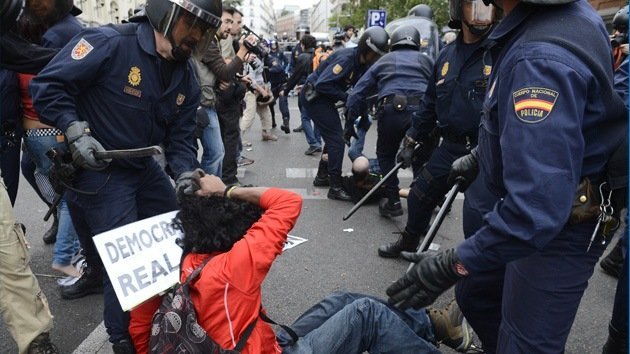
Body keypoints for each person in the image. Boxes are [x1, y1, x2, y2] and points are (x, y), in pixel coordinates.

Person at [386, 1, 628, 353]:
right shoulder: (567, 16)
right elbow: (572, 119)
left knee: (525, 341)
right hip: (552, 199)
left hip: (564, 222)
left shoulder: (538, 60)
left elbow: (536, 208)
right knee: (477, 291)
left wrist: (454, 262)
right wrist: (484, 154)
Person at [30, 0, 223, 351]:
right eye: (191, 23)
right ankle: (123, 341)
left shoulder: (186, 77)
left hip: (142, 166)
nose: (196, 35)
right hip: (99, 171)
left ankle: (170, 318)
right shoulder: (109, 43)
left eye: (203, 29)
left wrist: (182, 173)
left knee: (180, 237)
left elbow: (180, 140)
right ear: (166, 13)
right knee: (125, 269)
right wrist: (75, 130)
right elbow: (48, 86)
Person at [128, 172, 472, 353]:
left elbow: (141, 330)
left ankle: (434, 326)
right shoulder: (233, 268)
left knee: (343, 300)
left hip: (259, 344)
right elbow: (286, 202)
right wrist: (226, 190)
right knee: (368, 315)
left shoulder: (182, 264)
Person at [378, 0, 496, 258]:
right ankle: (409, 241)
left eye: (488, 8)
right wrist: (410, 140)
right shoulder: (446, 55)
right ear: (458, 10)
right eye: (474, 7)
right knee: (419, 195)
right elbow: (430, 103)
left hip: (485, 150)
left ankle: (474, 268)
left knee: (477, 216)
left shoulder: (500, 51)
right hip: (450, 146)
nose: (482, 15)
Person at [17, 0, 84, 279]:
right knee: (72, 194)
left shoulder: (33, 45)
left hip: (35, 131)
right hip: (48, 130)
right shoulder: (54, 38)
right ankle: (66, 255)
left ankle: (67, 232)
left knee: (62, 190)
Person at [345, 25, 434, 218]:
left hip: (392, 110)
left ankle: (393, 201)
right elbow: (442, 91)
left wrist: (349, 123)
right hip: (422, 113)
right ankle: (422, 199)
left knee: (386, 155)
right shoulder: (427, 60)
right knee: (422, 158)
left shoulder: (384, 60)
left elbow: (357, 94)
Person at [302, 26, 389, 201]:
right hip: (314, 97)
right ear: (366, 48)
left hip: (325, 99)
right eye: (374, 54)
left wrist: (358, 119)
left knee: (334, 136)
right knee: (336, 140)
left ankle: (322, 175)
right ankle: (335, 186)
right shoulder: (347, 58)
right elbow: (322, 85)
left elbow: (359, 95)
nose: (376, 59)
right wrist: (347, 97)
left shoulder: (363, 65)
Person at [280, 34, 322, 156]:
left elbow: (296, 76)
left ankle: (313, 143)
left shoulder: (303, 57)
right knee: (318, 118)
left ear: (303, 45)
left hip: (309, 90)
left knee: (305, 117)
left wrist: (286, 90)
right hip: (320, 90)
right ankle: (318, 141)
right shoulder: (318, 55)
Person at [266, 40, 291, 133]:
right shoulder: (267, 56)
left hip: (281, 81)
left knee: (282, 101)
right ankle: (272, 121)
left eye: (274, 44)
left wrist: (284, 70)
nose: (272, 45)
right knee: (270, 103)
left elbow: (285, 63)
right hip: (272, 83)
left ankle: (286, 122)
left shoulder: (279, 54)